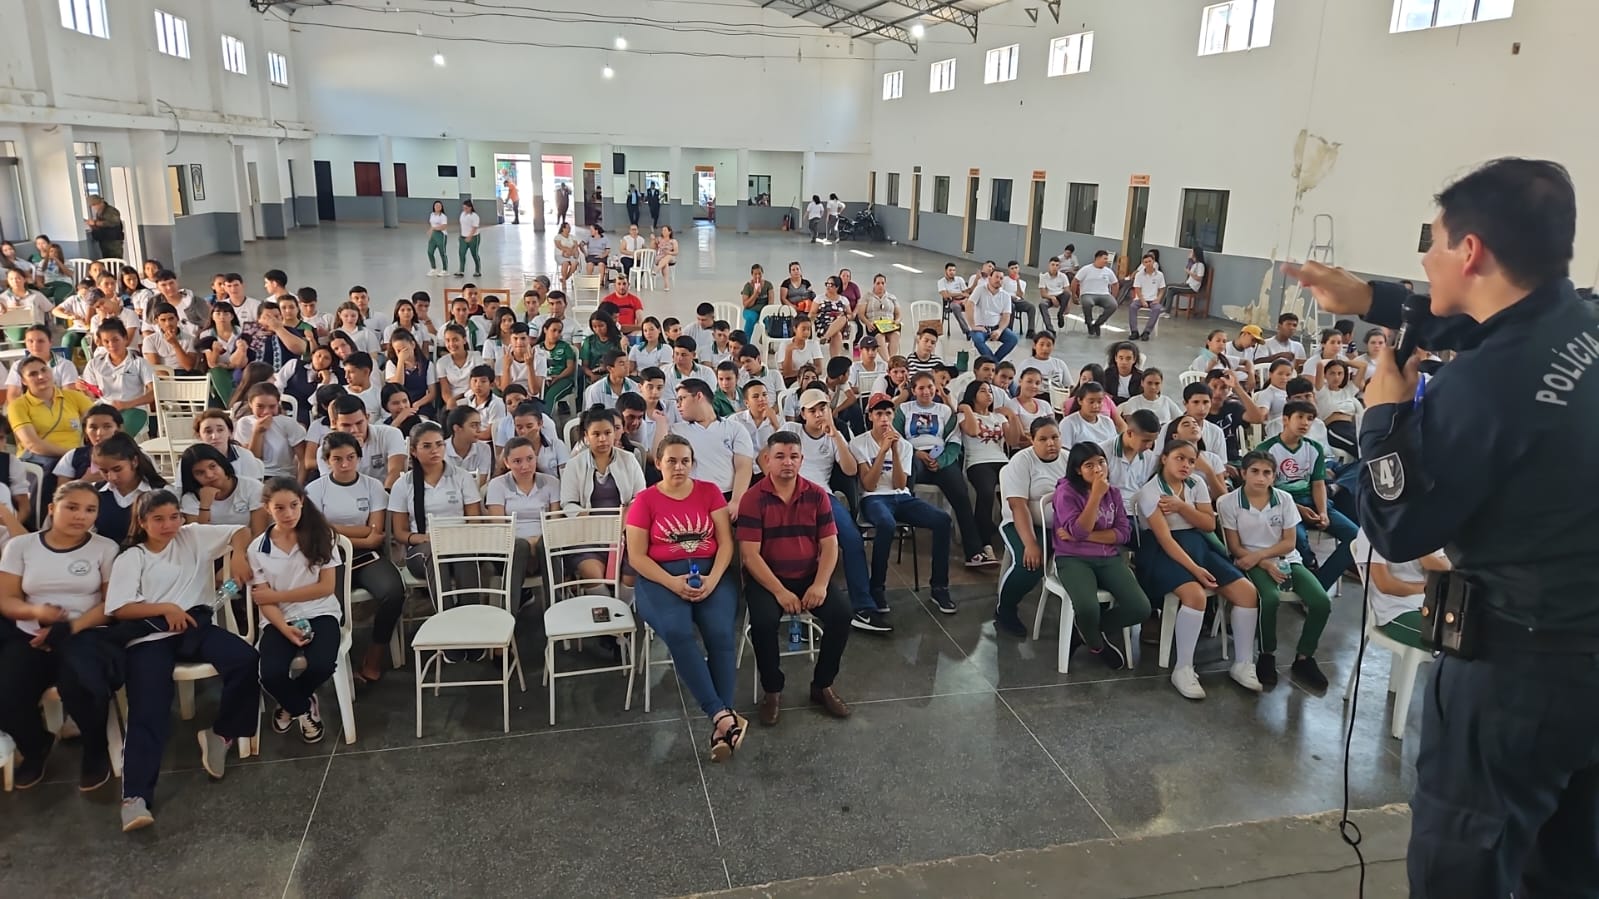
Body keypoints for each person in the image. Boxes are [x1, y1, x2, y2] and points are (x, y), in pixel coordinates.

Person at [1285, 158, 1599, 898]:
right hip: (1582, 654)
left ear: (1470, 252)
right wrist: (1370, 297)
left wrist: (1382, 415)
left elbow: (1396, 526)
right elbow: (1495, 321)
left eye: (1429, 241)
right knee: (1566, 867)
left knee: (1464, 866)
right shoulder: (1578, 321)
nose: (1422, 257)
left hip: (1515, 674)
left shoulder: (1485, 384)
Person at [107, 491, 256, 832]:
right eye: (158, 519)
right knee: (149, 709)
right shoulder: (132, 558)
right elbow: (120, 608)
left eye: (174, 516)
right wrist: (165, 608)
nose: (169, 525)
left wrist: (238, 555)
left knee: (245, 659)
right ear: (142, 522)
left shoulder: (193, 536)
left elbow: (239, 531)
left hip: (195, 627)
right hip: (151, 638)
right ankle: (135, 796)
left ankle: (221, 734)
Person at [625, 434, 745, 755]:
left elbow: (725, 544)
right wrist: (672, 582)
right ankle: (720, 713)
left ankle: (723, 724)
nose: (679, 467)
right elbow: (637, 557)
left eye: (685, 461)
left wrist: (714, 577)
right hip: (659, 577)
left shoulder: (708, 492)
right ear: (658, 463)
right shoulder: (644, 501)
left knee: (720, 633)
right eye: (672, 461)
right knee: (678, 632)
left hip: (710, 571)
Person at [0, 480, 122, 791]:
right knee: (7, 690)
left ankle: (94, 749)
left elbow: (111, 604)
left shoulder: (105, 548)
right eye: (72, 507)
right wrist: (37, 613)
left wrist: (66, 628)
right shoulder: (21, 547)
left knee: (81, 683)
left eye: (90, 509)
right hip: (30, 635)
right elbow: (7, 599)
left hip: (84, 633)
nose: (80, 515)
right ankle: (35, 745)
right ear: (52, 509)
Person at [737, 431, 853, 726]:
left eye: (793, 456)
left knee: (841, 614)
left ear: (802, 460)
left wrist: (820, 584)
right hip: (767, 579)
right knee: (763, 623)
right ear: (767, 460)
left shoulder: (816, 495)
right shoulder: (753, 498)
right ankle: (772, 690)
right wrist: (779, 591)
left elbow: (830, 546)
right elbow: (750, 556)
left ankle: (822, 685)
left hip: (808, 576)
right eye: (780, 456)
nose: (787, 462)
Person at [1134, 439, 1261, 700]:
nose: (1186, 465)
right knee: (1195, 596)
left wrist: (1181, 507)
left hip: (1198, 543)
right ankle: (1183, 668)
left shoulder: (1197, 484)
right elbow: (1165, 539)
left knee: (1247, 593)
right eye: (1180, 458)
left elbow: (1206, 524)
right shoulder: (1150, 492)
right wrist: (1196, 570)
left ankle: (1243, 664)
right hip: (1161, 551)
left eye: (1191, 461)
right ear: (1164, 458)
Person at [1217, 451, 1332, 692]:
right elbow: (1235, 547)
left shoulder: (1284, 499)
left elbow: (1289, 542)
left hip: (1285, 559)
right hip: (1250, 563)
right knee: (1268, 599)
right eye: (1255, 471)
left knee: (1321, 601)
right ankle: (1266, 654)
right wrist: (1261, 562)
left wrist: (1265, 557)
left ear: (1274, 476)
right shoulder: (1228, 502)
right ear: (1243, 473)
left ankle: (1304, 658)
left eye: (1267, 472)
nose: (1261, 478)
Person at [251, 478, 342, 744]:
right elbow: (263, 600)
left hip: (321, 611)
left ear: (302, 502)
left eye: (293, 505)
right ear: (267, 509)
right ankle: (302, 708)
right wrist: (284, 628)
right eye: (279, 508)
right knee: (270, 674)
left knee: (323, 665)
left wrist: (278, 595)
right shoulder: (257, 548)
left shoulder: (322, 536)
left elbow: (326, 587)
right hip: (277, 619)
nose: (288, 513)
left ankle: (290, 705)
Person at [1047, 442, 1152, 667]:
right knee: (1086, 607)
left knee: (1140, 607)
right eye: (1089, 465)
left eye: (1101, 462)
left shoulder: (1112, 492)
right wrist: (1095, 496)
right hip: (1073, 558)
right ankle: (1096, 644)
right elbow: (1078, 529)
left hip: (1108, 557)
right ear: (1077, 469)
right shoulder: (1066, 492)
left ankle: (1085, 630)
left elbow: (1124, 533)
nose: (1097, 469)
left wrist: (1083, 536)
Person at [851, 395, 955, 612]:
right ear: (870, 416)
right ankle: (877, 587)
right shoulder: (859, 443)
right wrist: (882, 452)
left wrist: (895, 451)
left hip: (902, 496)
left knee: (943, 520)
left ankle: (939, 587)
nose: (884, 419)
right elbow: (869, 485)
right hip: (874, 498)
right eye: (878, 414)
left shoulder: (905, 446)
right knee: (886, 524)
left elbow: (900, 483)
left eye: (888, 413)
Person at [1256, 401, 1356, 592]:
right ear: (1286, 420)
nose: (1305, 423)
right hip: (1282, 506)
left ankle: (1318, 585)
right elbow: (1263, 490)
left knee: (1356, 538)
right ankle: (1309, 568)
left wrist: (1323, 512)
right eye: (1300, 417)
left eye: (1310, 419)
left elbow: (1318, 484)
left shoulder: (1314, 448)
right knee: (1297, 540)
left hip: (1313, 502)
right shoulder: (1267, 449)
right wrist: (1297, 508)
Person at [991, 419, 1071, 636]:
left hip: (1063, 526)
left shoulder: (1068, 459)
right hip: (1023, 523)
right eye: (1043, 439)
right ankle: (1005, 609)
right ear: (1032, 440)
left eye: (1055, 437)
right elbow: (1018, 506)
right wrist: (1030, 543)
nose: (1051, 443)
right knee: (1031, 564)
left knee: (1089, 558)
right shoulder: (1021, 462)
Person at [956, 380, 1012, 562]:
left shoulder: (999, 417)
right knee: (986, 493)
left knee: (1017, 490)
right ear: (973, 395)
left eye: (990, 391)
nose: (989, 394)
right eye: (983, 391)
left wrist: (1012, 415)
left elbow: (1013, 440)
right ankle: (985, 542)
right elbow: (972, 431)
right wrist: (966, 408)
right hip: (978, 462)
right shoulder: (964, 416)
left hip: (1002, 461)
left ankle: (1015, 534)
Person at [177, 443, 267, 533]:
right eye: (200, 473)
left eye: (212, 466)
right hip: (209, 546)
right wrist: (204, 507)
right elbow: (198, 537)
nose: (209, 475)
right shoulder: (190, 498)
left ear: (222, 464)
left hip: (248, 544)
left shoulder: (252, 487)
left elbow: (259, 534)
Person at [967, 268, 1018, 360]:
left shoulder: (1006, 295)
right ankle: (993, 362)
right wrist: (973, 326)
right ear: (990, 278)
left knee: (1013, 339)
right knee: (978, 340)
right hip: (980, 328)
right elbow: (969, 305)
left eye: (1001, 278)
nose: (999, 280)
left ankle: (994, 361)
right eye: (996, 277)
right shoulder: (980, 290)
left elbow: (1006, 316)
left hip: (996, 327)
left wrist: (1000, 330)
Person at [1072, 250, 1120, 337]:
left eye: (1107, 259)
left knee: (1113, 305)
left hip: (1104, 294)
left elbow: (1115, 284)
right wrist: (1074, 295)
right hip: (1088, 294)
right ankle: (1089, 323)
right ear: (1097, 258)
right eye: (1104, 258)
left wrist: (1113, 297)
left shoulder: (1108, 271)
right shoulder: (1086, 269)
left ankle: (1098, 323)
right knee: (1087, 303)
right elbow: (1075, 281)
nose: (1106, 261)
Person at [1128, 253, 1166, 340]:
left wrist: (1158, 298)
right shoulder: (1139, 275)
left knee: (1157, 309)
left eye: (1150, 261)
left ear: (1153, 262)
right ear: (1143, 264)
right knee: (1132, 307)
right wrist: (1142, 301)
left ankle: (1147, 332)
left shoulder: (1160, 275)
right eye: (1146, 262)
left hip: (1153, 299)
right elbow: (1137, 288)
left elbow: (1162, 289)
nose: (1148, 263)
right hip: (1140, 298)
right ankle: (1134, 331)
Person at [84, 195, 124, 259]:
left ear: (101, 202)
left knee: (116, 262)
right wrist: (92, 225)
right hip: (104, 241)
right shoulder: (100, 212)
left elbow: (113, 222)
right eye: (92, 205)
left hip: (113, 242)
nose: (94, 207)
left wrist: (95, 223)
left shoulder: (111, 211)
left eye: (95, 204)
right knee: (107, 262)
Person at [456, 200, 482, 277]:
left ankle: (477, 271)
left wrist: (469, 236)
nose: (464, 209)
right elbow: (462, 226)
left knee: (474, 254)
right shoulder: (462, 214)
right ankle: (461, 271)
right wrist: (461, 236)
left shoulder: (474, 216)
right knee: (461, 253)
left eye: (466, 208)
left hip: (474, 237)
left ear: (470, 208)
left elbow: (475, 227)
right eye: (463, 208)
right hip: (463, 237)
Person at [654, 225, 678, 291]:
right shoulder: (659, 239)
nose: (663, 232)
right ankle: (666, 285)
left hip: (670, 257)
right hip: (660, 257)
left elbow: (676, 252)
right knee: (665, 264)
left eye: (665, 230)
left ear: (669, 232)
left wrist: (669, 252)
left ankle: (657, 269)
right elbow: (652, 247)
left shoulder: (673, 241)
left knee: (668, 256)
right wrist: (653, 240)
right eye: (662, 230)